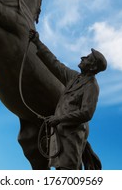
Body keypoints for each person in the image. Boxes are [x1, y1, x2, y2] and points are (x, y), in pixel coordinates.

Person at [29, 30, 107, 170]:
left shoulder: (91, 86)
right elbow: (54, 63)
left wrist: (60, 119)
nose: (83, 57)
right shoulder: (74, 77)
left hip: (71, 137)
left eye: (88, 57)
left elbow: (87, 113)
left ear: (93, 66)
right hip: (59, 134)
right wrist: (37, 42)